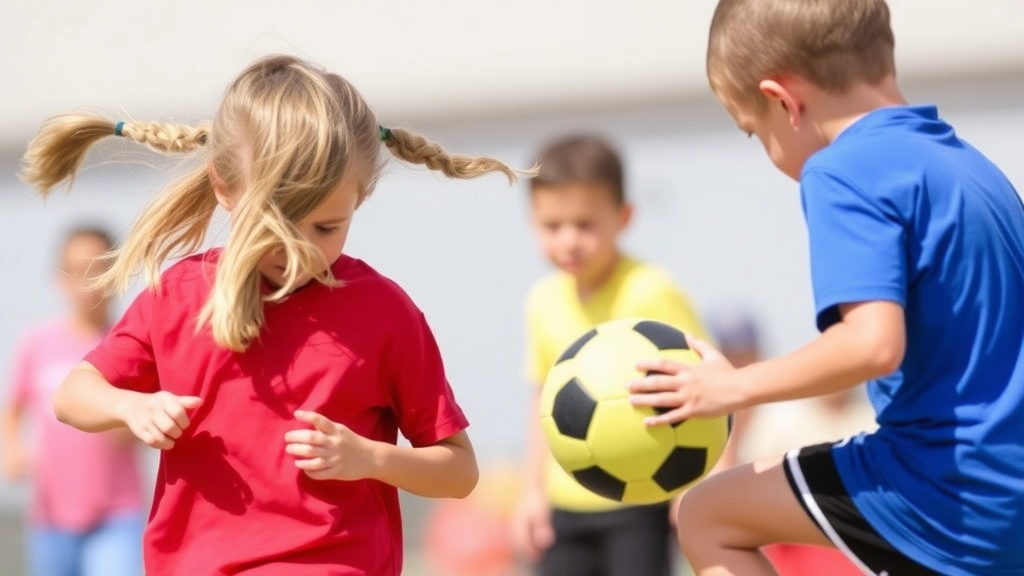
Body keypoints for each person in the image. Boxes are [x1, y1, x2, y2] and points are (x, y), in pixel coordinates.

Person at [18, 54, 525, 576]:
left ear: (362, 197)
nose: (300, 249)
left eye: (326, 227)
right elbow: (72, 395)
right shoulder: (180, 295)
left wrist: (371, 459)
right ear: (224, 189)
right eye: (275, 225)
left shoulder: (384, 312)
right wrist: (129, 407)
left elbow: (459, 471)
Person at [628, 0, 1024, 574]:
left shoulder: (844, 169)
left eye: (752, 132)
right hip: (1009, 493)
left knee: (706, 515)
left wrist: (731, 388)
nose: (765, 152)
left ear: (784, 102)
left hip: (945, 495)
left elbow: (870, 345)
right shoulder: (972, 168)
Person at [512, 134, 709, 576]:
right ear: (532, 222)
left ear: (624, 217)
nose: (569, 241)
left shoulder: (653, 289)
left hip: (643, 499)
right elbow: (541, 397)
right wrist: (531, 492)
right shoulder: (542, 300)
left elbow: (709, 389)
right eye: (552, 225)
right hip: (566, 504)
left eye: (585, 224)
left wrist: (695, 489)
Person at [1, 226, 145, 576]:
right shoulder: (37, 343)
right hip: (50, 515)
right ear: (58, 278)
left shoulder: (128, 344)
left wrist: (125, 423)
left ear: (117, 274)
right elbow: (14, 407)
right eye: (77, 271)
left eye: (99, 270)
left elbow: (145, 418)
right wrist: (11, 449)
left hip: (117, 513)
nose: (88, 282)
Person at [705, 306, 871, 576]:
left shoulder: (871, 418)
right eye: (730, 357)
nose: (738, 364)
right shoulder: (781, 418)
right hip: (793, 554)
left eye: (743, 356)